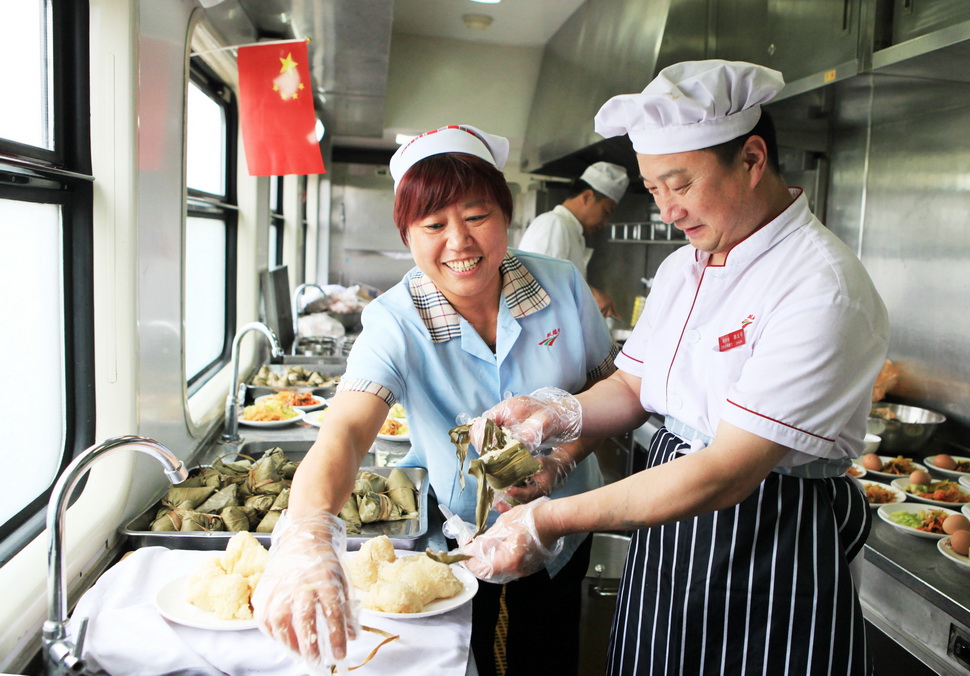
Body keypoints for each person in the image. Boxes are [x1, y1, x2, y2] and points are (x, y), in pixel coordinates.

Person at [457, 60, 890, 675]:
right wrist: (557, 420)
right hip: (669, 526)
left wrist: (547, 521)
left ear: (752, 158)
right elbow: (635, 387)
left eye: (680, 185)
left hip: (766, 537)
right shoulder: (685, 266)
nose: (667, 211)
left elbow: (726, 473)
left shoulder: (820, 285)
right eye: (655, 189)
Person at [251, 124, 618, 674]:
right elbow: (347, 432)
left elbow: (609, 394)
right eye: (433, 224)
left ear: (505, 216)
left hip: (564, 525)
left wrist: (561, 461)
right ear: (407, 235)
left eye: (476, 217)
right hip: (458, 542)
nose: (460, 242)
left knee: (549, 652)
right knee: (470, 659)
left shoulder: (563, 286)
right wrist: (306, 531)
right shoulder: (394, 322)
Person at [517, 161, 629, 318]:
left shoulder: (570, 230)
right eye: (606, 211)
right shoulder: (553, 223)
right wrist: (591, 294)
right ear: (587, 197)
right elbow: (536, 282)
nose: (606, 222)